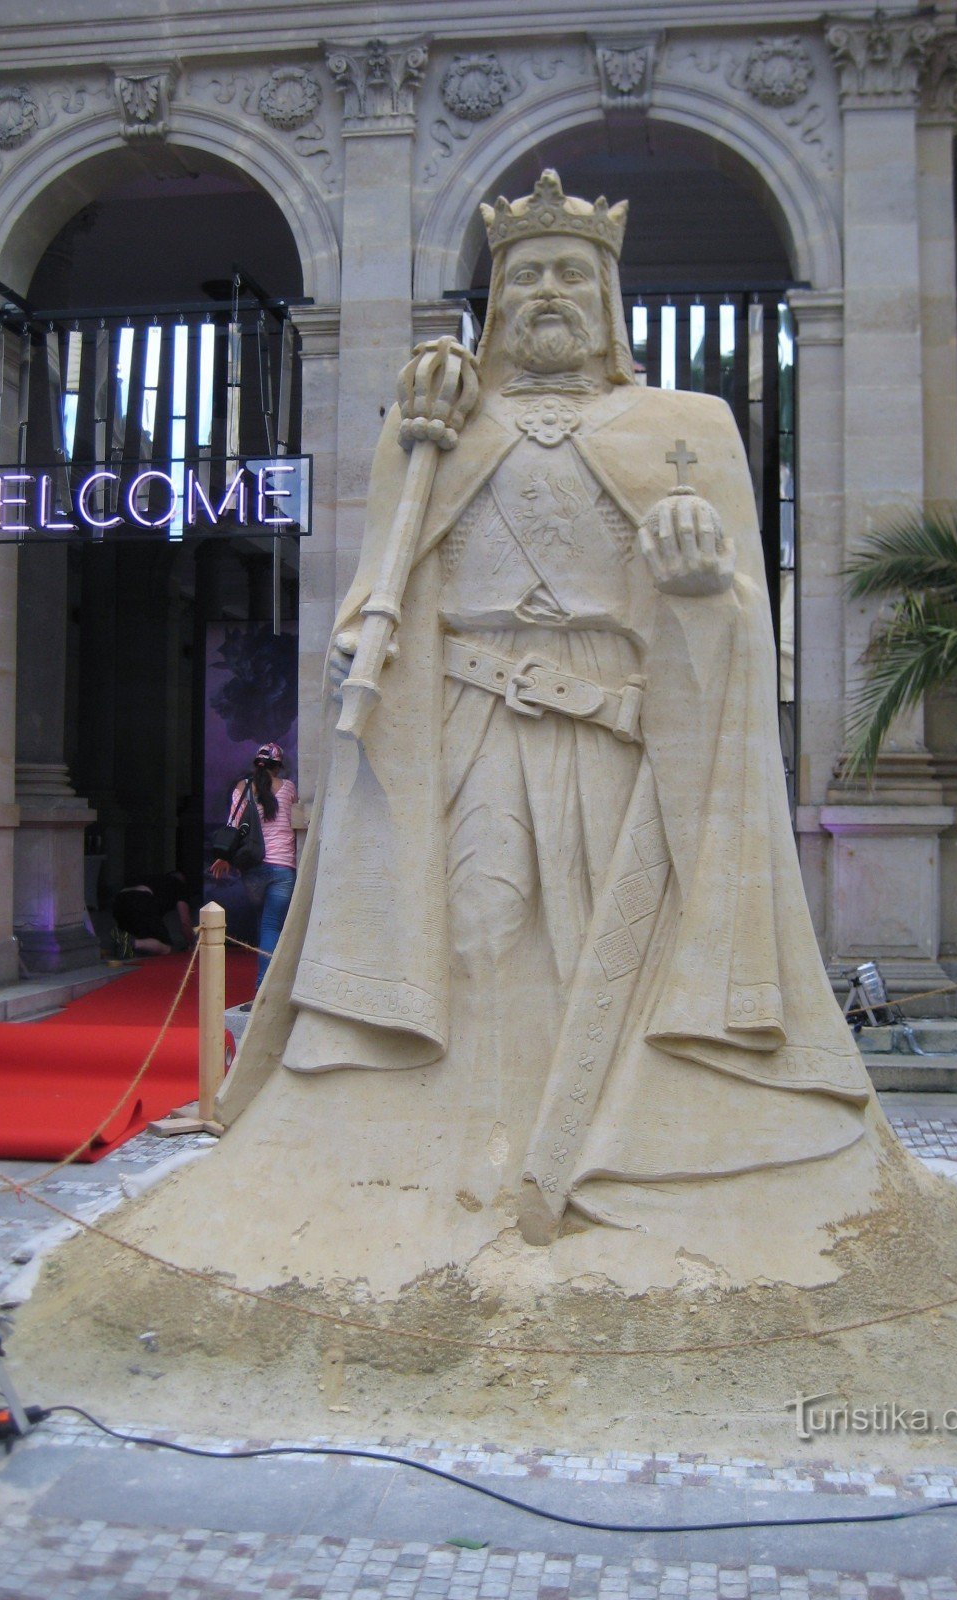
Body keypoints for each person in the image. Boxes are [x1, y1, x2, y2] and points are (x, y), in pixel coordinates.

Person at [216, 171, 883, 1284]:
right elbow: (377, 586)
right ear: (494, 297)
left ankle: (600, 1153)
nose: (549, 291)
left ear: (612, 298)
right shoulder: (432, 426)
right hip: (474, 726)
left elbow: (737, 618)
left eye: (573, 272)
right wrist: (352, 648)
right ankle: (465, 1147)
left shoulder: (687, 428)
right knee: (480, 931)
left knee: (597, 948)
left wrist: (698, 580)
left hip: (620, 738)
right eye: (526, 274)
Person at [210, 742, 298, 989]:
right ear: (278, 767)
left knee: (265, 924)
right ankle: (266, 986)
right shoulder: (288, 788)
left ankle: (267, 981)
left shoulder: (243, 788)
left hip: (253, 868)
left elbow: (233, 824)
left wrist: (225, 856)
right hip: (282, 868)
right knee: (272, 925)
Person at [110, 870, 192, 958]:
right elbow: (185, 922)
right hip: (140, 900)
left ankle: (125, 942)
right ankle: (131, 943)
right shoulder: (179, 885)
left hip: (119, 902)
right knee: (165, 945)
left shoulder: (155, 880)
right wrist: (191, 944)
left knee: (146, 930)